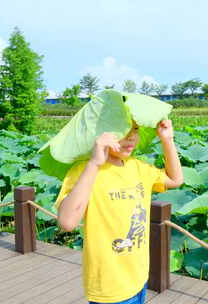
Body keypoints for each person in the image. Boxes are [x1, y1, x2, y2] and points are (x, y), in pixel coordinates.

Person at [55, 119, 183, 304]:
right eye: (124, 130)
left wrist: (167, 140)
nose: (132, 137)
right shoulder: (84, 171)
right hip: (109, 286)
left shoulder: (138, 167)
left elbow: (175, 179)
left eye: (136, 129)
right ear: (101, 134)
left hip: (138, 276)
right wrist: (94, 163)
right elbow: (67, 222)